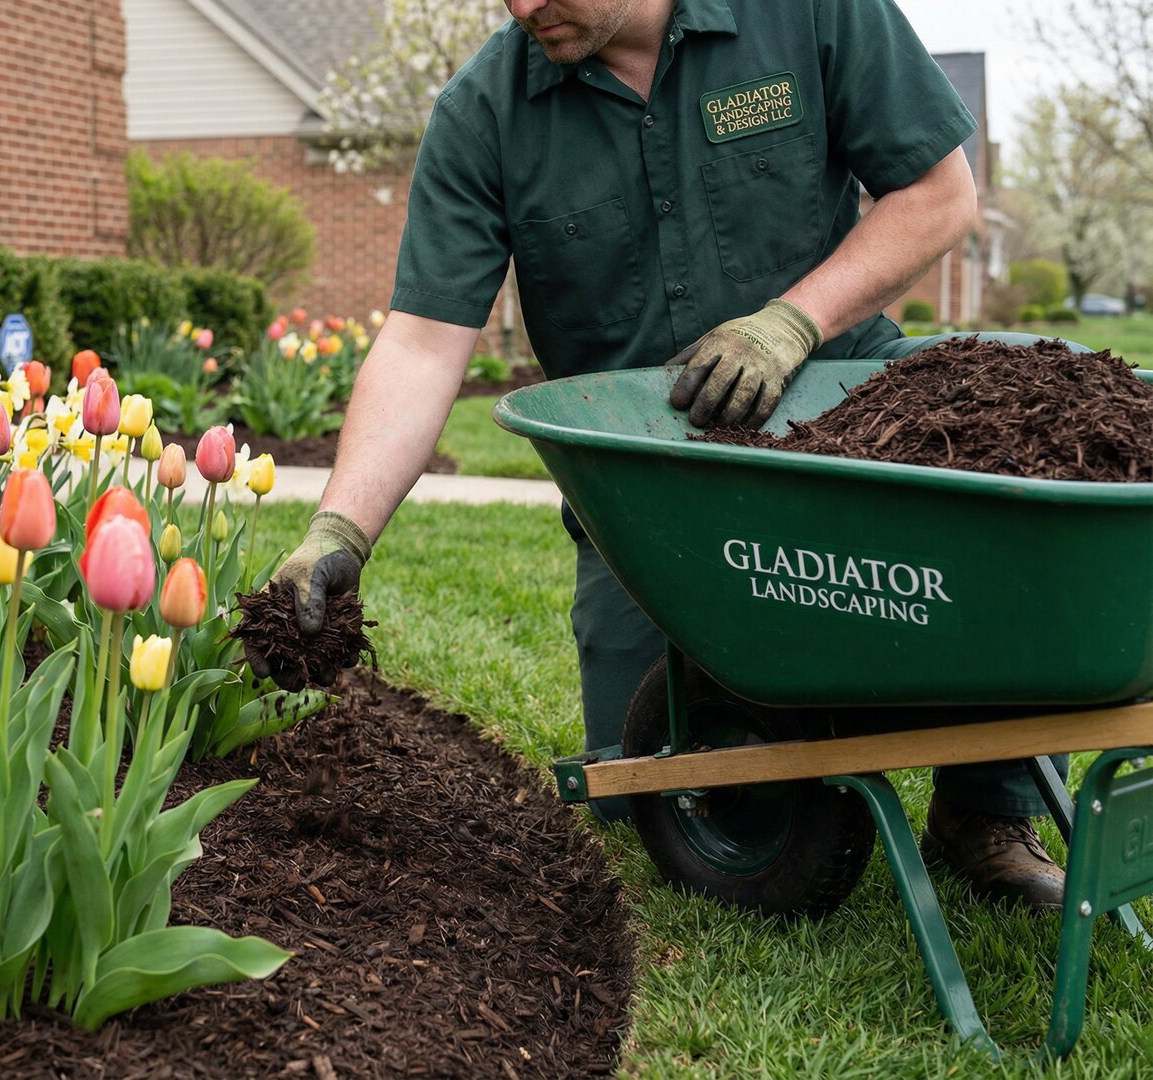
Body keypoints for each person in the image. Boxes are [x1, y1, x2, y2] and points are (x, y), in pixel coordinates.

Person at [250, 0, 1065, 909]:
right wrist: (339, 529)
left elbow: (938, 195)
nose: (524, 8)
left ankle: (986, 805)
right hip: (654, 497)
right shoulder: (485, 111)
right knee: (637, 779)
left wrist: (792, 322)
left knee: (1037, 403)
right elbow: (424, 342)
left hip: (842, 416)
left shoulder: (807, 15)